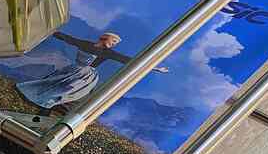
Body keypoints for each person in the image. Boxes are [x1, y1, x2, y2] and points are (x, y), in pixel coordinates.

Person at [16, 31, 168, 110]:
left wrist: (156, 68)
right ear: (104, 38)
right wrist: (51, 31)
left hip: (86, 75)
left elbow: (130, 61)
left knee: (70, 90)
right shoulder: (86, 44)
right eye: (113, 41)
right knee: (53, 83)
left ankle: (53, 105)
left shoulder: (109, 53)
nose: (114, 44)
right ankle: (42, 101)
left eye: (115, 43)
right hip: (74, 69)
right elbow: (67, 38)